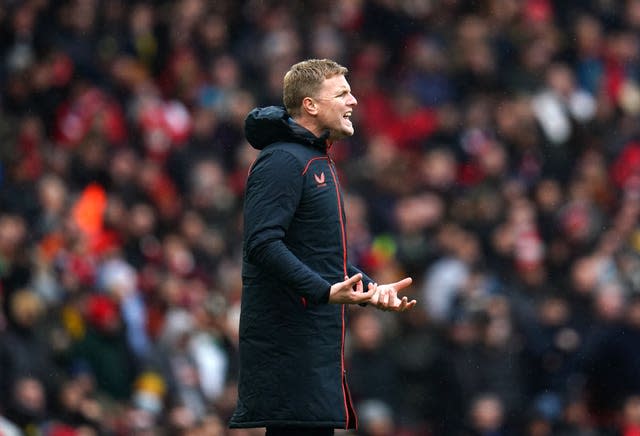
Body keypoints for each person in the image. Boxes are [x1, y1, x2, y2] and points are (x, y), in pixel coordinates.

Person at [228, 59, 417, 436]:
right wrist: (322, 291)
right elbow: (262, 244)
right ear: (311, 105)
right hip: (289, 347)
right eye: (342, 92)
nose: (355, 100)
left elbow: (321, 259)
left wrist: (369, 290)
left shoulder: (317, 160)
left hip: (313, 345)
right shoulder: (282, 160)